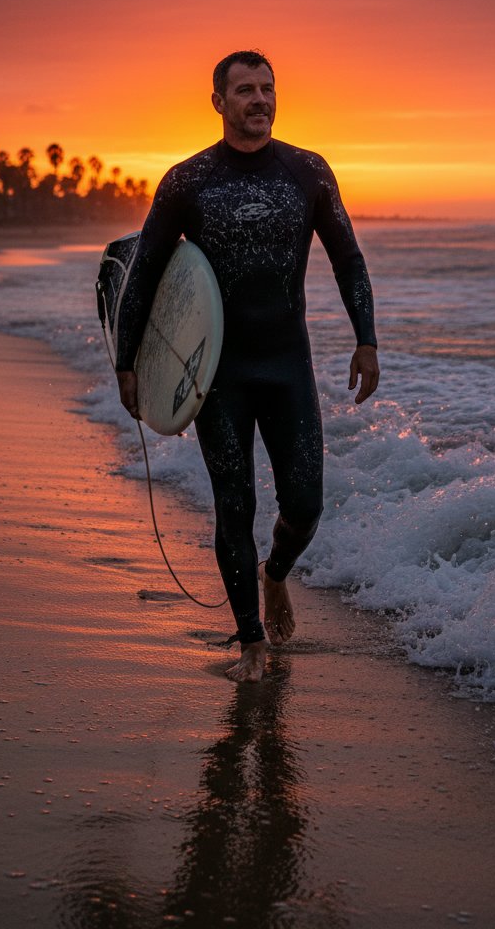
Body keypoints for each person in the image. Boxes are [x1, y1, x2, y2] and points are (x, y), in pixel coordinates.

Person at [114, 50, 379, 683]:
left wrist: (366, 339)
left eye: (267, 88)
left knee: (306, 504)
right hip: (219, 374)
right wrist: (128, 363)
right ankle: (250, 643)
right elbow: (147, 272)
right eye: (245, 91)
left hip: (288, 364)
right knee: (235, 505)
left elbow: (348, 259)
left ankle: (276, 574)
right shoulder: (188, 181)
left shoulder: (308, 172)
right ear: (219, 102)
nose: (259, 99)